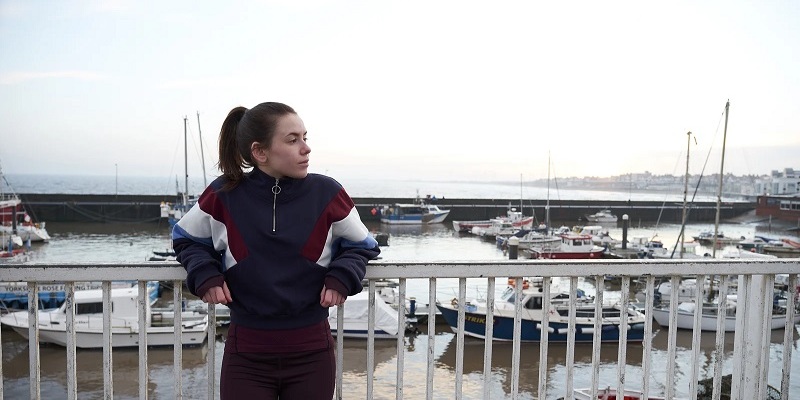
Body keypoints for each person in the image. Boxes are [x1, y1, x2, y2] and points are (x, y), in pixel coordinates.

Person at [172, 102, 380, 399]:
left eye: (305, 137)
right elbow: (186, 238)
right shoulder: (223, 194)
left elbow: (362, 245)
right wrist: (205, 274)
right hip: (246, 352)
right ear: (260, 152)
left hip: (312, 351)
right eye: (293, 140)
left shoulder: (328, 193)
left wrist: (342, 276)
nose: (306, 148)